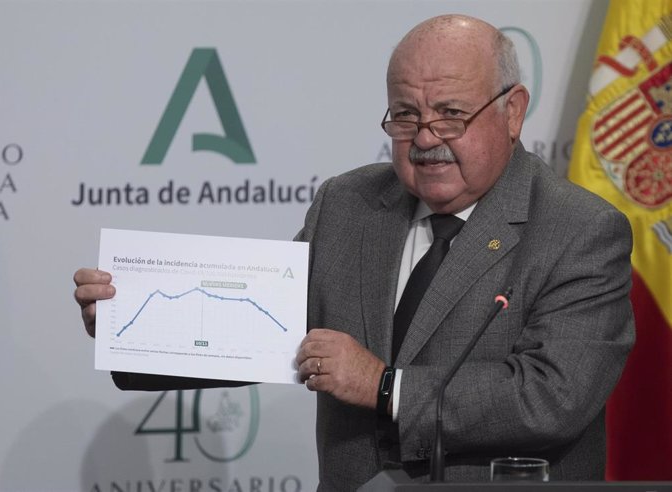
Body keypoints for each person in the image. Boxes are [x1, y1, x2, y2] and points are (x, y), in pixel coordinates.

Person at [74, 14, 635, 490]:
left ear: (512, 112)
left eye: (450, 112)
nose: (424, 137)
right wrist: (137, 326)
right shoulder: (347, 205)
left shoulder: (579, 229)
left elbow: (551, 397)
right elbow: (257, 332)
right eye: (406, 114)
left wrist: (385, 386)